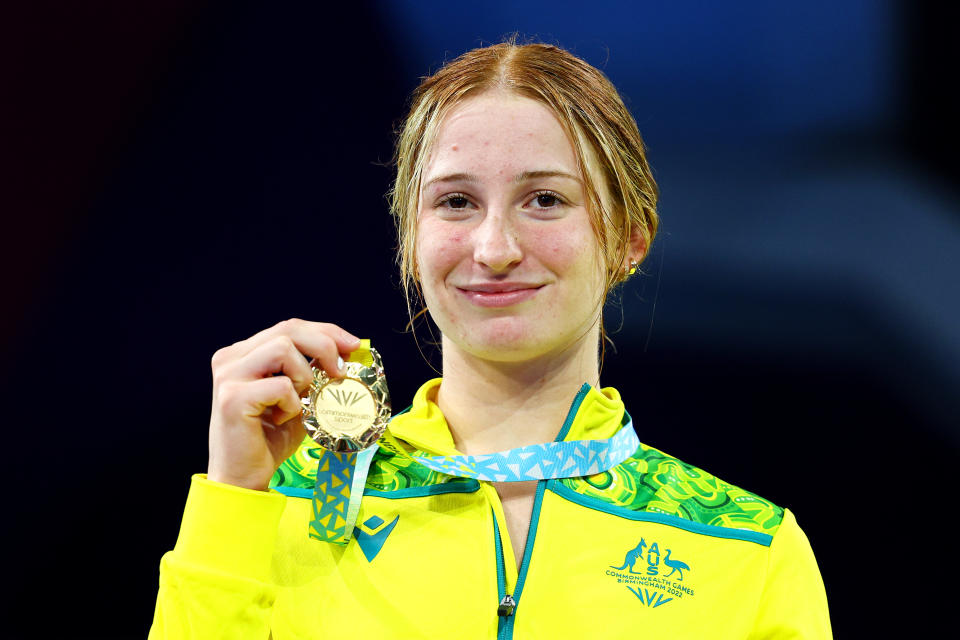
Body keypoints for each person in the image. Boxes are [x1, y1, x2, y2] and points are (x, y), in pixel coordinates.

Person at [149, 42, 831, 639]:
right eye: (455, 202)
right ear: (410, 241)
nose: (495, 247)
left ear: (629, 238)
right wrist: (233, 497)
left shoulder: (746, 548)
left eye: (545, 200)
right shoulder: (284, 503)